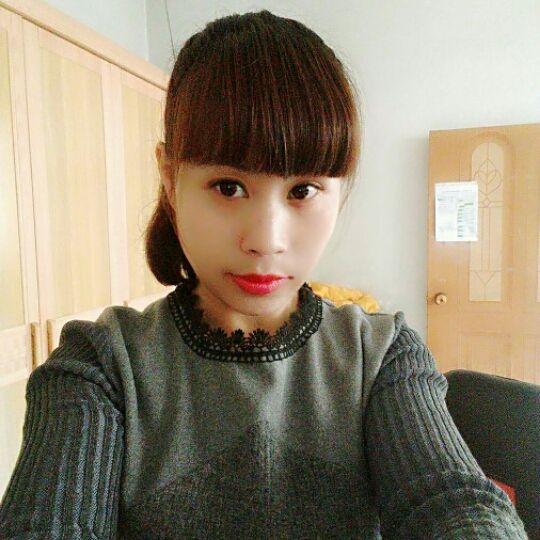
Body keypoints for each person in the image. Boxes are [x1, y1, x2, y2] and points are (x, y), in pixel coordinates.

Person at [0, 10, 528, 540]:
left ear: (340, 192)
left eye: (303, 190)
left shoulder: (382, 356)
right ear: (169, 178)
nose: (266, 239)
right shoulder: (102, 365)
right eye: (228, 187)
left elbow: (452, 499)